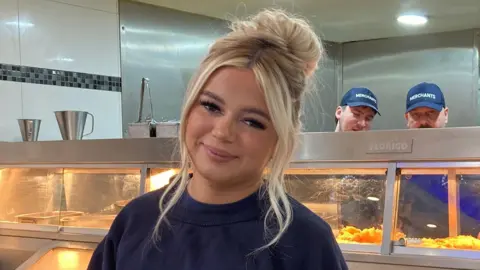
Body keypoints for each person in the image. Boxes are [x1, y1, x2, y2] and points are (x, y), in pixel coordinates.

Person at [88, 8, 348, 270]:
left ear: (280, 138)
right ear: (189, 106)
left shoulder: (306, 243)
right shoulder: (135, 222)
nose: (223, 132)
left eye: (252, 121)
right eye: (211, 106)